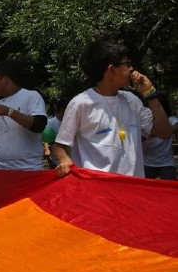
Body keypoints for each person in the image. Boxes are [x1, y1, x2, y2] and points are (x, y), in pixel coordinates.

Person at [53, 40, 172, 178]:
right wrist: (63, 159)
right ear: (111, 70)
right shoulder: (80, 104)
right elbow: (59, 146)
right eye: (127, 64)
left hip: (130, 191)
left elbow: (164, 133)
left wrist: (150, 94)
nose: (131, 69)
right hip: (96, 192)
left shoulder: (132, 100)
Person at [0, 60, 47, 170]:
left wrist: (9, 112)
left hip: (28, 170)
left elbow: (39, 125)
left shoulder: (31, 96)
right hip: (0, 172)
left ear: (5, 79)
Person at [142, 93, 178, 180]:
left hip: (166, 163)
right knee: (145, 191)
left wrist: (156, 132)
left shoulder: (171, 120)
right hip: (147, 163)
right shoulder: (144, 122)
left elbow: (174, 127)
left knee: (169, 191)